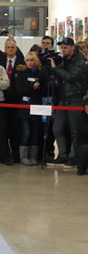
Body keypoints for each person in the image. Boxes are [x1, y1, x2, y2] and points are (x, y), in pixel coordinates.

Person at [48, 37, 88, 167]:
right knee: (57, 128)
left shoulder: (81, 62)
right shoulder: (64, 60)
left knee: (75, 131)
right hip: (63, 99)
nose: (63, 50)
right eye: (62, 48)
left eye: (65, 48)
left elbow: (70, 77)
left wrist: (55, 68)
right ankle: (62, 155)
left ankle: (73, 157)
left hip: (75, 99)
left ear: (72, 48)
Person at [15, 52, 45, 166]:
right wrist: (32, 87)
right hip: (25, 107)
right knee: (26, 132)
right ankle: (23, 157)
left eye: (32, 60)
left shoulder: (40, 74)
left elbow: (44, 90)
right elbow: (20, 90)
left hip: (37, 106)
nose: (30, 63)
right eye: (28, 60)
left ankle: (33, 156)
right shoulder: (21, 74)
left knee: (35, 133)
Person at [0, 38, 25, 162]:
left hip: (16, 100)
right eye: (8, 47)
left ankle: (16, 154)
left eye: (12, 47)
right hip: (1, 99)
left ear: (16, 48)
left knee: (15, 129)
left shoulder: (22, 62)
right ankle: (4, 154)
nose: (10, 50)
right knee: (2, 128)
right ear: (5, 49)